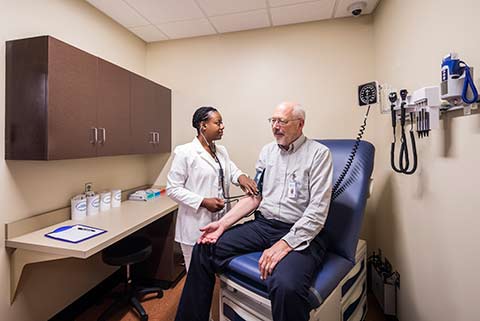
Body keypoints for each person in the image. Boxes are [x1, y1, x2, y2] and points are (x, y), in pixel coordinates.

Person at [174, 102, 334, 321]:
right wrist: (222, 225)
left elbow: (317, 212)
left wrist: (284, 244)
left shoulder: (319, 154)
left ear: (300, 124)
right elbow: (255, 197)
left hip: (300, 232)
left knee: (286, 286)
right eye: (273, 121)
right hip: (264, 225)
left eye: (282, 121)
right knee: (204, 247)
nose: (276, 126)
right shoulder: (268, 152)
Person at [167, 106, 257, 271]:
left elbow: (230, 170)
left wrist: (241, 177)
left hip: (221, 221)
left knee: (216, 271)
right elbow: (172, 189)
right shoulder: (185, 152)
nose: (222, 127)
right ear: (203, 125)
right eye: (218, 122)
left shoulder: (221, 151)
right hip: (196, 223)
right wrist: (203, 201)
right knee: (197, 275)